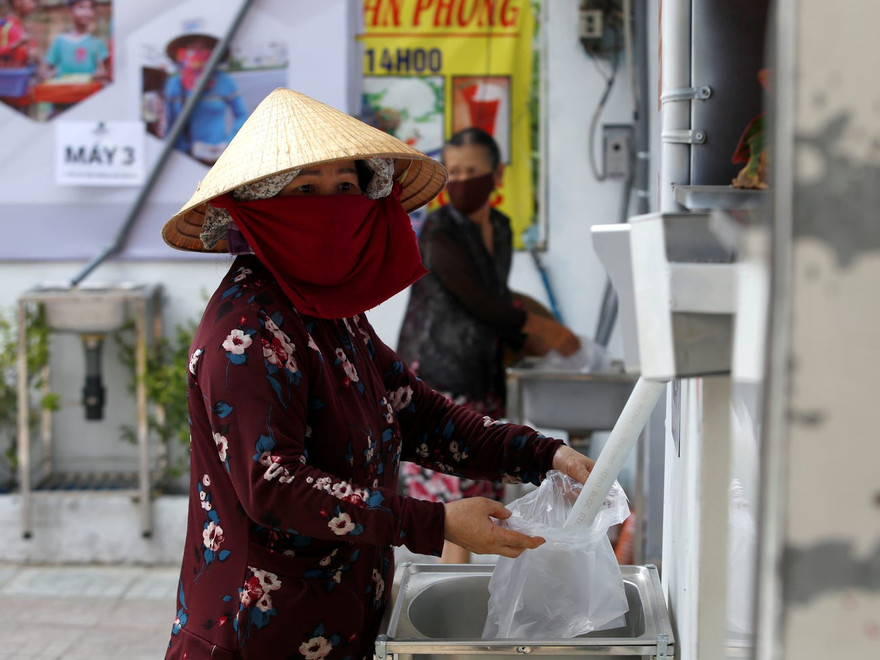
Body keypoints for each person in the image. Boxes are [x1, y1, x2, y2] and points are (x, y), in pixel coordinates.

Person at [160, 87, 594, 660]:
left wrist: (542, 455)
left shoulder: (330, 310)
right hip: (257, 635)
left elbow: (418, 414)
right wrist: (434, 521)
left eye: (345, 186)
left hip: (344, 620)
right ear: (258, 208)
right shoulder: (246, 330)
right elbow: (274, 485)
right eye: (305, 189)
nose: (332, 204)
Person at [396, 127, 581, 563]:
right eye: (453, 172)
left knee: (484, 494)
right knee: (456, 512)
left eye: (472, 171)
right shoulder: (439, 231)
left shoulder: (500, 226)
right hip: (438, 374)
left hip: (483, 374)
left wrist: (532, 331)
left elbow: (497, 297)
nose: (461, 181)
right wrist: (540, 328)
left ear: (496, 174)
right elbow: (480, 301)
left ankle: (465, 603)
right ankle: (454, 612)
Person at [162, 33, 247, 165]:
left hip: (217, 157)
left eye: (203, 48)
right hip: (182, 158)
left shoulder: (224, 81)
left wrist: (228, 143)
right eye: (192, 48)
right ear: (181, 52)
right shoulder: (174, 84)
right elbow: (167, 124)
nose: (197, 53)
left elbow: (242, 115)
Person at [42, 0, 108, 81]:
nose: (86, 12)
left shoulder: (97, 43)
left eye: (90, 8)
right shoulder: (60, 42)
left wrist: (100, 74)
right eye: (81, 7)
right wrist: (48, 74)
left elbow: (104, 72)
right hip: (64, 92)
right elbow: (45, 70)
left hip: (90, 92)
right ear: (70, 11)